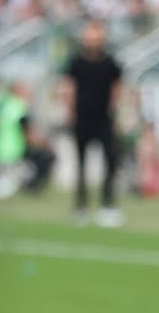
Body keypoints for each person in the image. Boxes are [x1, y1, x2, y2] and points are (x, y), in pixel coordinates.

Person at [62, 21, 125, 227]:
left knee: (110, 162)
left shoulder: (111, 63)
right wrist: (71, 113)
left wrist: (116, 116)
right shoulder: (76, 62)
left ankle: (108, 206)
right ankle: (80, 207)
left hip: (103, 119)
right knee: (81, 164)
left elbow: (117, 90)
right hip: (82, 119)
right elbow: (69, 89)